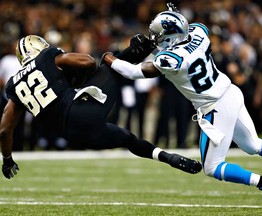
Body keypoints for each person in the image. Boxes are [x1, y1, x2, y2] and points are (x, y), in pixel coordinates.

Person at [102, 3, 262, 216]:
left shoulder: (170, 59)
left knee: (212, 168)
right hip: (230, 92)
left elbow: (135, 72)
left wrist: (111, 58)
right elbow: (191, 30)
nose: (154, 37)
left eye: (158, 34)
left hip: (215, 105)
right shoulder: (199, 33)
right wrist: (174, 17)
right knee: (254, 145)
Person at [0, 35, 203, 179]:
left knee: (127, 139)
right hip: (82, 112)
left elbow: (4, 129)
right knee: (109, 61)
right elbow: (88, 62)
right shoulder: (47, 58)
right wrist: (74, 76)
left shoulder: (13, 86)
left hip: (73, 135)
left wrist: (7, 159)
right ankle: (148, 45)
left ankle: (169, 158)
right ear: (39, 47)